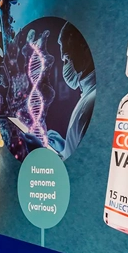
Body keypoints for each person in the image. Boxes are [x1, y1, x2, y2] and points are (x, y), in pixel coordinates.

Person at [45, 22, 96, 160]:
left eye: (67, 58)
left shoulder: (89, 104)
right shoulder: (88, 96)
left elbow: (83, 164)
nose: (65, 65)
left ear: (85, 49)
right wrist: (65, 147)